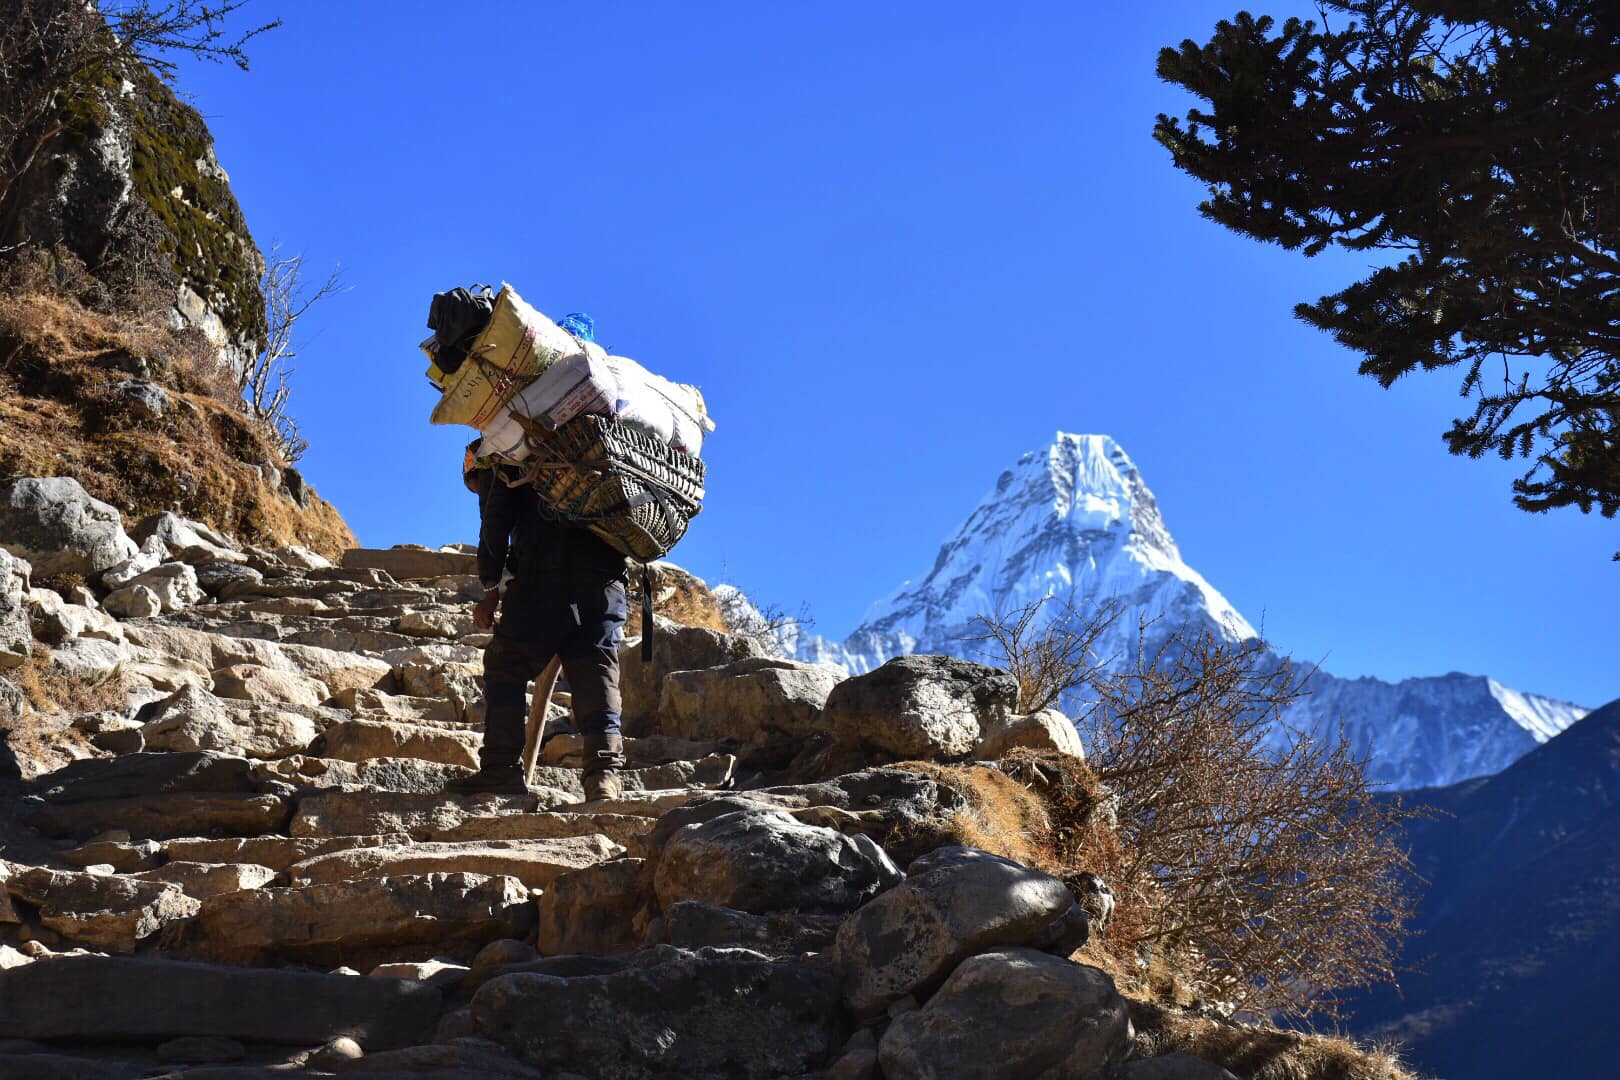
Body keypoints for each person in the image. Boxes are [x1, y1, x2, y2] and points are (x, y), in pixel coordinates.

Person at [447, 449, 629, 800]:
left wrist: (489, 588)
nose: (477, 492)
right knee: (597, 668)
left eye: (475, 485)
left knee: (505, 664)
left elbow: (495, 521)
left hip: (543, 578)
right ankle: (604, 776)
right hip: (605, 582)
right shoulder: (595, 453)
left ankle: (501, 769)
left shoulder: (503, 450)